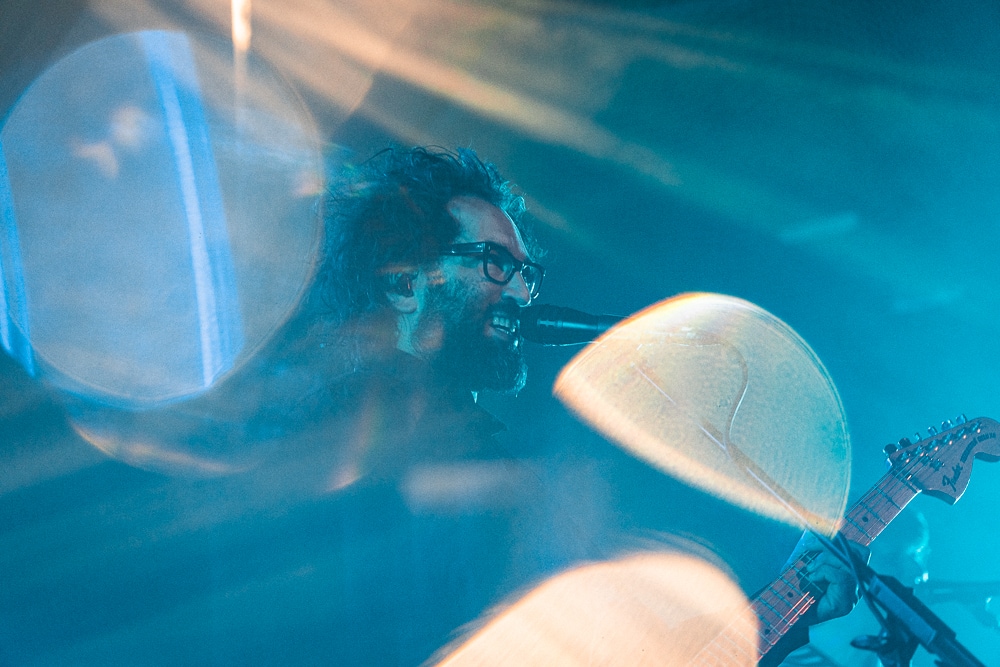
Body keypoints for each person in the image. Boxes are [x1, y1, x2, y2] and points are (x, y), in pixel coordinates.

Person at [308, 145, 863, 665]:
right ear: (405, 281)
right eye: (493, 262)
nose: (524, 293)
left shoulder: (488, 456)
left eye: (526, 272)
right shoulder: (326, 444)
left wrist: (789, 610)